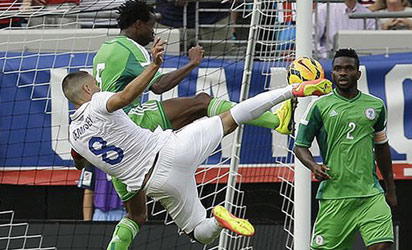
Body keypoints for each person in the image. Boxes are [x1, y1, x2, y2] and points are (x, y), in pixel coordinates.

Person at [65, 37, 332, 248]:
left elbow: (79, 163)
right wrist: (154, 67)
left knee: (200, 233)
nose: (99, 88)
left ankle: (217, 219)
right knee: (230, 117)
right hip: (171, 151)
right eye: (95, 86)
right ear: (88, 90)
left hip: (154, 185)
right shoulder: (98, 102)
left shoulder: (73, 135)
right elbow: (123, 98)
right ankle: (291, 92)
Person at [294, 48, 397, 250]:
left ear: (358, 73)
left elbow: (382, 148)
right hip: (335, 194)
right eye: (338, 68)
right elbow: (300, 146)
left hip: (369, 193)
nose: (343, 72)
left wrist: (391, 189)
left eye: (349, 68)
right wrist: (313, 166)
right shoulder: (320, 106)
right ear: (332, 73)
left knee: (382, 244)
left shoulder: (375, 106)